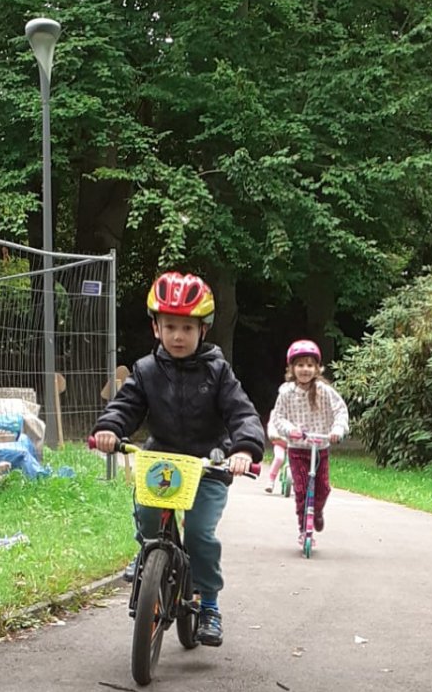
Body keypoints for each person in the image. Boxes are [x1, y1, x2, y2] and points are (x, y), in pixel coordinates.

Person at [91, 271, 264, 646]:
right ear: (156, 328)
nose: (178, 336)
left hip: (208, 465)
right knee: (148, 513)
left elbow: (242, 413)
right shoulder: (146, 371)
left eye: (187, 327)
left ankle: (209, 604)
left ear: (203, 330)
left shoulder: (218, 372)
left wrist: (244, 449)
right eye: (170, 326)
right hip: (163, 461)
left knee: (200, 533)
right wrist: (109, 428)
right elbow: (125, 406)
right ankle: (147, 550)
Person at [269, 340, 349, 548]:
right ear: (291, 368)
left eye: (310, 365)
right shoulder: (286, 392)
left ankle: (317, 511)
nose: (305, 369)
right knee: (302, 490)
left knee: (323, 488)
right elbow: (278, 417)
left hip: (320, 448)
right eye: (300, 365)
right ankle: (305, 528)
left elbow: (340, 411)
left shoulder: (324, 391)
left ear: (317, 368)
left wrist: (337, 430)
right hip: (298, 449)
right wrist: (290, 430)